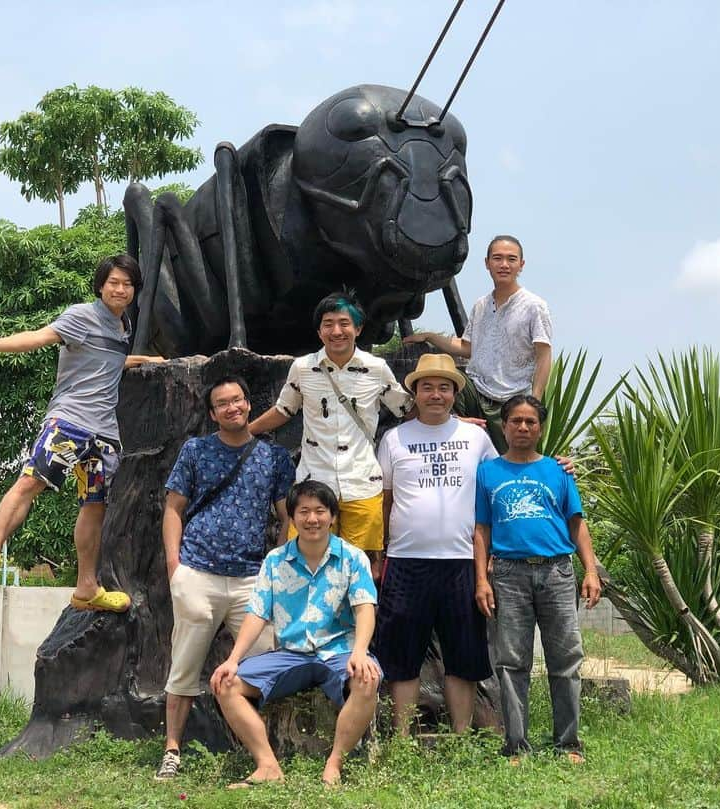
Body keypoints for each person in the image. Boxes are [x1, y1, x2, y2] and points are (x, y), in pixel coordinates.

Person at [0, 254, 162, 612]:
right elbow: (41, 337)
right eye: (114, 282)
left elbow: (107, 363)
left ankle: (87, 587)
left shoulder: (123, 326)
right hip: (70, 423)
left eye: (127, 284)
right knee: (31, 482)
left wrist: (143, 360)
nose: (120, 289)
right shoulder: (81, 315)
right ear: (101, 285)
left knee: (95, 506)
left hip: (105, 434)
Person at [154, 376, 296, 780]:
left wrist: (276, 565)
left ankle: (262, 753)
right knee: (184, 666)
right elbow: (173, 509)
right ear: (213, 413)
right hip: (197, 572)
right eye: (223, 404)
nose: (232, 408)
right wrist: (174, 567)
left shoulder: (273, 457)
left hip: (252, 578)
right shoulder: (196, 450)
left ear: (249, 405)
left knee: (264, 667)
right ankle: (172, 749)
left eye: (238, 400)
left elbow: (287, 515)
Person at [209, 480, 381, 788]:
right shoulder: (275, 561)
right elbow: (258, 613)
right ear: (293, 517)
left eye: (320, 511)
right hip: (291, 653)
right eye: (303, 511)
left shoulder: (354, 558)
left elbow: (365, 607)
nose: (312, 519)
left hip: (339, 650)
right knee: (226, 684)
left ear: (332, 516)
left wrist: (360, 652)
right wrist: (233, 659)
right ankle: (267, 765)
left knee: (368, 678)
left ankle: (335, 763)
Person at [373, 353, 499, 734]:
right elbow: (385, 500)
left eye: (444, 387)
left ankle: (461, 736)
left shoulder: (476, 437)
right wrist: (380, 553)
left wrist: (556, 465)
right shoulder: (394, 438)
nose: (435, 394)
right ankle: (401, 738)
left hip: (462, 560)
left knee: (464, 653)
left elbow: (498, 486)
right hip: (406, 560)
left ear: (454, 394)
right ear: (414, 393)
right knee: (402, 653)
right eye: (426, 387)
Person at [473, 395, 600, 762]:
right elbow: (481, 529)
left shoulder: (558, 471)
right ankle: (516, 745)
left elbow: (577, 523)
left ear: (540, 428)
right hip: (508, 574)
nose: (523, 428)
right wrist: (481, 579)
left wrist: (589, 570)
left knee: (566, 658)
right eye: (516, 421)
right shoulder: (488, 472)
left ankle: (568, 743)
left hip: (557, 571)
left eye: (531, 422)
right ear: (504, 426)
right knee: (511, 662)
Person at [249, 291, 412, 577]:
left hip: (362, 483)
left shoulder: (376, 369)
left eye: (344, 323)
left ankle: (356, 623)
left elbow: (406, 407)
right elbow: (284, 410)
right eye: (328, 323)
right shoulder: (302, 368)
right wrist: (245, 431)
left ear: (358, 328)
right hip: (315, 480)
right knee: (305, 568)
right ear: (319, 330)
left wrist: (453, 421)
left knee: (361, 569)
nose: (337, 331)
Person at [403, 235, 552, 452]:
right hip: (476, 391)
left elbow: (544, 355)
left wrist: (533, 402)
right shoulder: (481, 305)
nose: (504, 265)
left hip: (512, 395)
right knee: (443, 379)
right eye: (497, 258)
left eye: (511, 259)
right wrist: (430, 337)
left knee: (510, 458)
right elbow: (467, 348)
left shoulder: (534, 306)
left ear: (521, 264)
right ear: (487, 263)